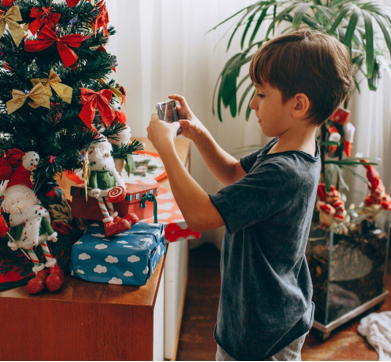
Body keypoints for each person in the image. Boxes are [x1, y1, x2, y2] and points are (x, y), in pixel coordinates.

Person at [147, 30, 353, 361]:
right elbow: (232, 173)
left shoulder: (284, 172)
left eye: (261, 94)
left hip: (263, 330)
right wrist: (198, 133)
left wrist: (166, 149)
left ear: (298, 104)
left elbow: (201, 216)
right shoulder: (291, 146)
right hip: (272, 312)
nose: (253, 103)